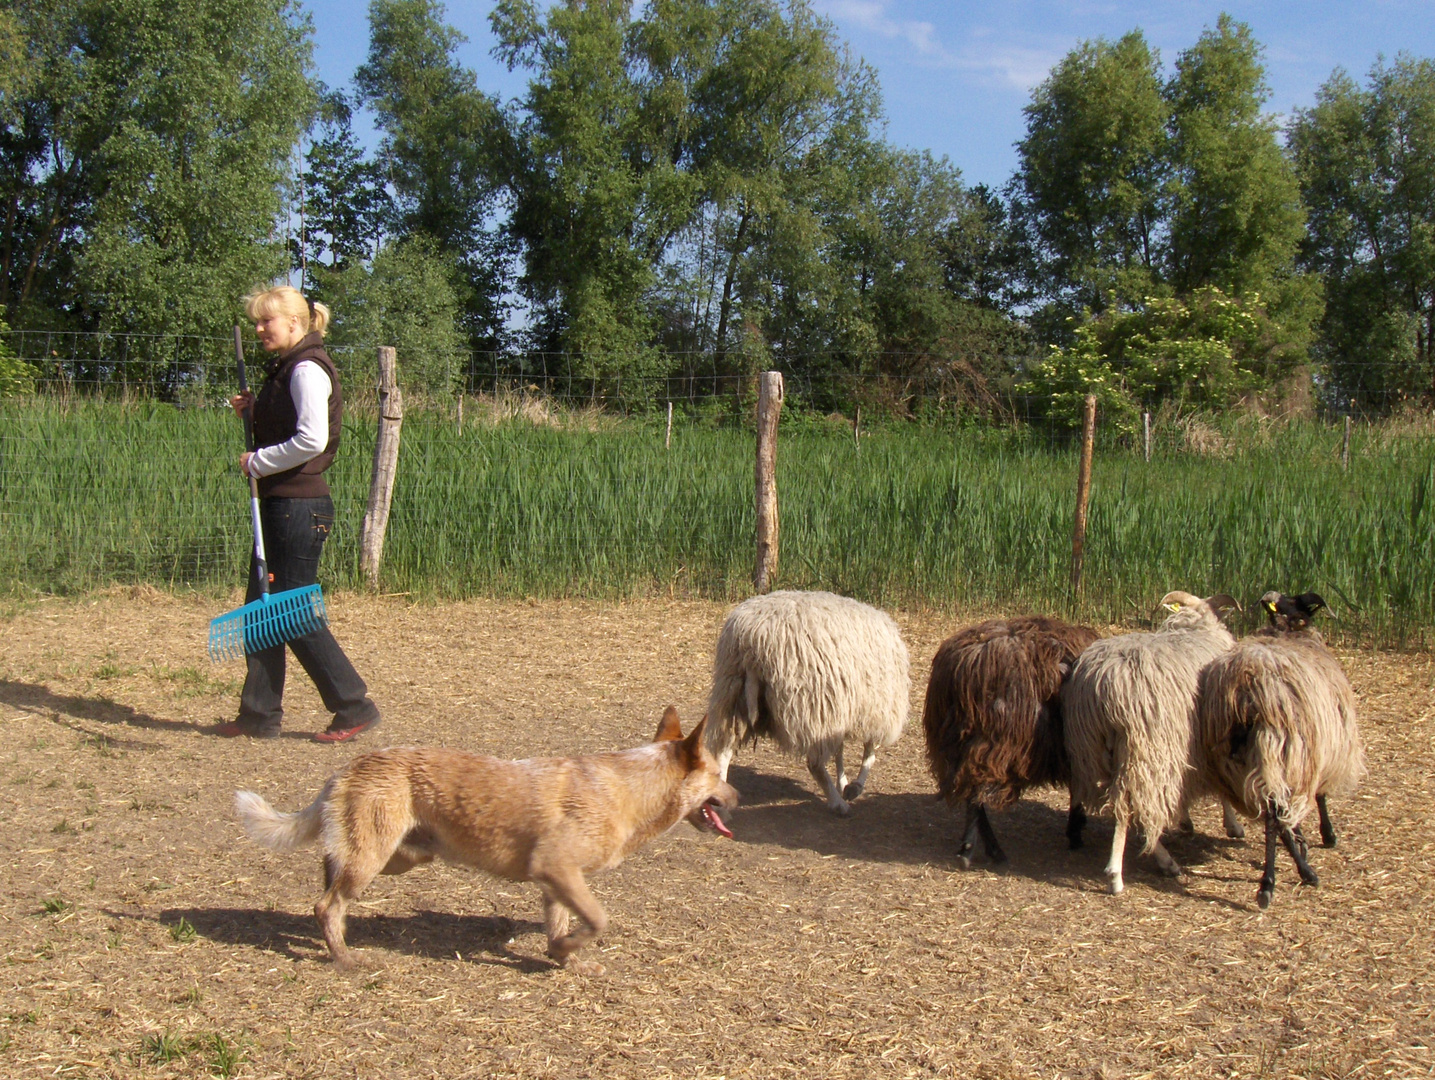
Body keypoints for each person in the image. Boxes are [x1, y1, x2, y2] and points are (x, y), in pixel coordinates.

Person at [213, 286, 382, 742]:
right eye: (255, 322)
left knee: (290, 611)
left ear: (293, 322)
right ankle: (258, 714)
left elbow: (311, 440)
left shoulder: (307, 368)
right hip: (282, 503)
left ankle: (353, 705)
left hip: (298, 507)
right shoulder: (287, 369)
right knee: (260, 609)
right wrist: (255, 412)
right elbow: (289, 428)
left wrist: (258, 462)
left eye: (266, 321)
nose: (258, 329)